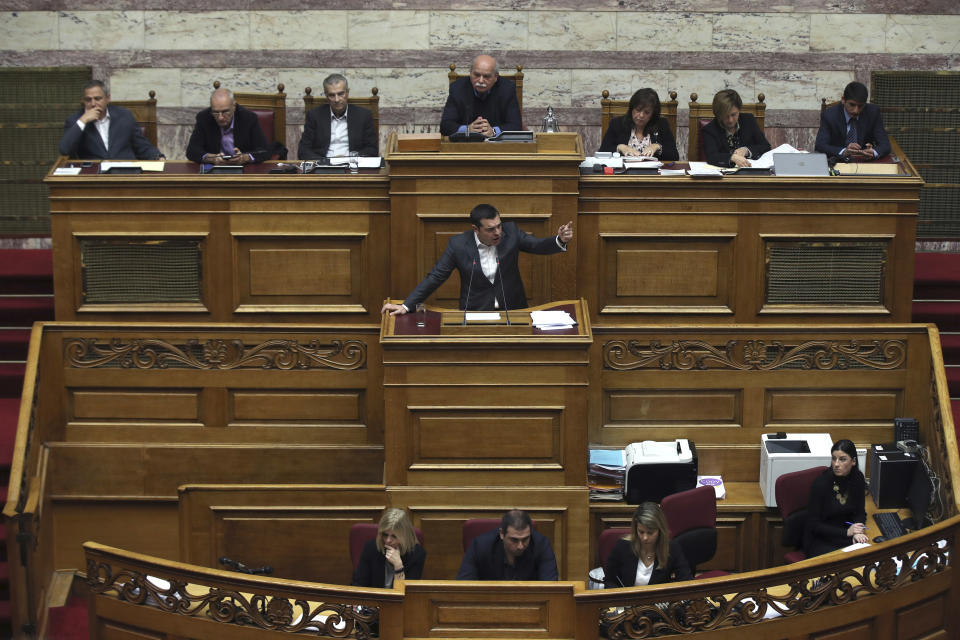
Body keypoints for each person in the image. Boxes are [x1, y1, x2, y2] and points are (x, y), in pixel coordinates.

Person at [380, 204, 573, 315]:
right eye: (490, 229)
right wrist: (407, 305)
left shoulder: (511, 232)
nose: (498, 232)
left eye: (499, 225)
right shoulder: (458, 244)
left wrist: (559, 240)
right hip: (474, 312)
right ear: (476, 229)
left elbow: (536, 245)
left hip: (513, 310)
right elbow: (436, 276)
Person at [59, 80, 163, 160]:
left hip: (126, 175)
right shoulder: (75, 120)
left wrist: (158, 157)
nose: (93, 104)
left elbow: (142, 146)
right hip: (94, 179)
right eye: (88, 100)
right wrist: (83, 120)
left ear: (107, 98)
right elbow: (65, 150)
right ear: (83, 101)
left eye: (97, 98)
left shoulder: (124, 116)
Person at [803, 439, 869, 557]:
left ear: (853, 461)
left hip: (845, 536)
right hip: (822, 539)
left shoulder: (858, 478)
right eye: (834, 459)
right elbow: (814, 525)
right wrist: (847, 532)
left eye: (842, 459)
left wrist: (858, 530)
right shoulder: (821, 484)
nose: (836, 464)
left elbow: (860, 512)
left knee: (866, 555)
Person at [603, 502, 691, 588]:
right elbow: (609, 581)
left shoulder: (671, 548)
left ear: (660, 530)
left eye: (650, 533)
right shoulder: (623, 546)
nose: (645, 537)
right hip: (626, 601)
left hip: (658, 601)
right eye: (641, 532)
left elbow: (686, 580)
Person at [457, 510, 558, 580]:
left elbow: (550, 587)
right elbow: (464, 585)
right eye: (514, 540)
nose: (520, 546)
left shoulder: (541, 545)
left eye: (525, 539)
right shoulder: (480, 546)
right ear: (502, 534)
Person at [440, 55, 523, 138]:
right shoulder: (457, 88)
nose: (480, 80)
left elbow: (516, 126)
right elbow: (445, 125)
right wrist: (467, 130)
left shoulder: (507, 89)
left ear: (496, 77)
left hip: (498, 147)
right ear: (470, 73)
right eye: (476, 75)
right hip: (465, 146)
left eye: (486, 76)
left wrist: (493, 131)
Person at [298, 73, 378, 159]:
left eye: (340, 94)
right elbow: (303, 150)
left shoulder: (364, 115)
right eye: (332, 95)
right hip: (324, 166)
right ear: (326, 95)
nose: (337, 99)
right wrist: (327, 162)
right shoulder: (314, 115)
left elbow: (372, 149)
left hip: (352, 166)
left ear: (347, 92)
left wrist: (349, 158)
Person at [186, 87, 270, 165]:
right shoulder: (204, 117)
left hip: (243, 170)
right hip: (214, 171)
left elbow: (264, 151)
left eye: (225, 112)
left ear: (234, 106)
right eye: (215, 112)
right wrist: (212, 158)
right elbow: (192, 151)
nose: (220, 117)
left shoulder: (248, 118)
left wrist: (244, 158)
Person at [815, 81, 891, 163]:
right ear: (843, 100)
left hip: (865, 162)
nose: (856, 111)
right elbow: (820, 145)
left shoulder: (873, 112)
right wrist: (844, 151)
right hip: (838, 162)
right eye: (852, 105)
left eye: (860, 106)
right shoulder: (829, 115)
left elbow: (885, 145)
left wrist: (874, 152)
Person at [351, 508, 426, 588]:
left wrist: (398, 567)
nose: (388, 540)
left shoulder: (417, 554)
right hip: (373, 599)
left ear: (405, 536)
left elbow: (407, 594)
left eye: (394, 536)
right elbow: (358, 585)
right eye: (385, 535)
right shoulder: (371, 548)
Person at [598, 88, 679, 161]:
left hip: (653, 175)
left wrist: (657, 147)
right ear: (632, 108)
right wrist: (620, 147)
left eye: (646, 112)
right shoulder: (617, 124)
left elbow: (674, 156)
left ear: (653, 114)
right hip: (623, 174)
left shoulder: (661, 124)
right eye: (638, 110)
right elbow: (602, 153)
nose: (641, 115)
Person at [701, 89, 771, 168]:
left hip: (750, 173)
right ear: (718, 115)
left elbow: (766, 147)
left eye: (733, 114)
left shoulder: (749, 120)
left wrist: (746, 150)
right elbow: (712, 156)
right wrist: (731, 157)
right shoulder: (710, 129)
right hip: (724, 176)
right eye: (725, 116)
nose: (730, 120)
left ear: (739, 110)